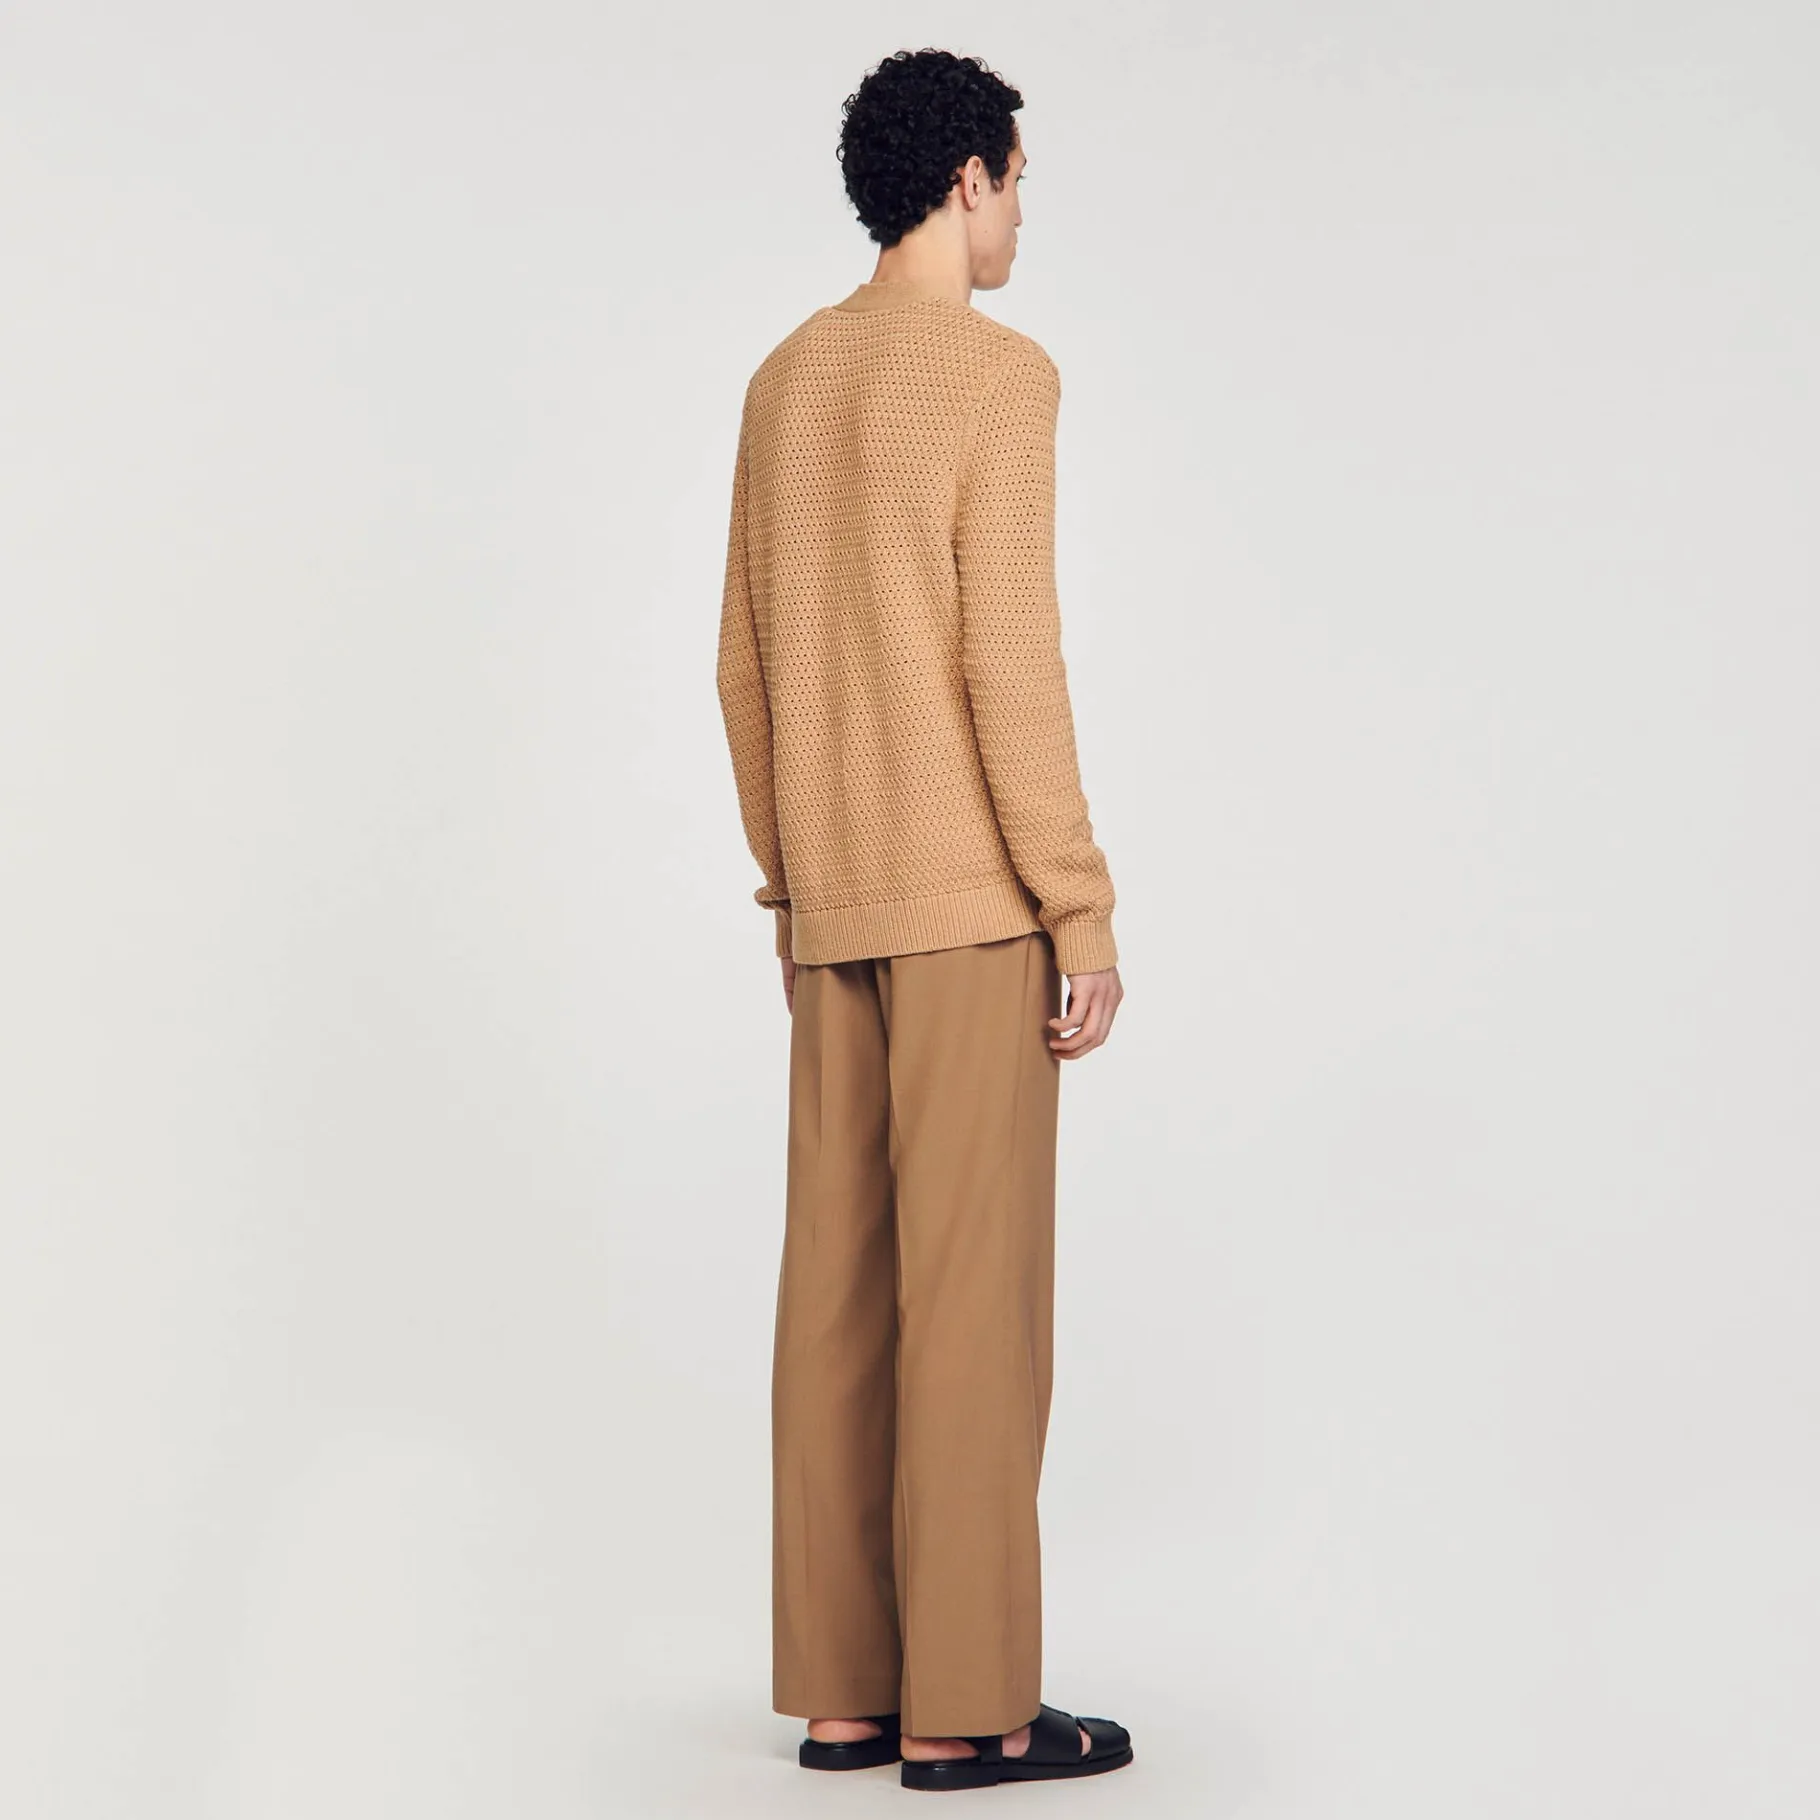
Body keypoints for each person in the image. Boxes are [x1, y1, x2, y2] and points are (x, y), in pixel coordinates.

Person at [714, 48, 1133, 1794]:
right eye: (1019, 181)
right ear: (968, 177)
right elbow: (1009, 664)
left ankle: (842, 1694)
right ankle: (967, 1708)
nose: (1024, 214)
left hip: (835, 913)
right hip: (969, 910)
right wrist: (1077, 904)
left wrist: (796, 880)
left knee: (839, 1302)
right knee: (972, 1311)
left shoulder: (785, 380)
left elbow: (743, 667)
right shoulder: (996, 378)